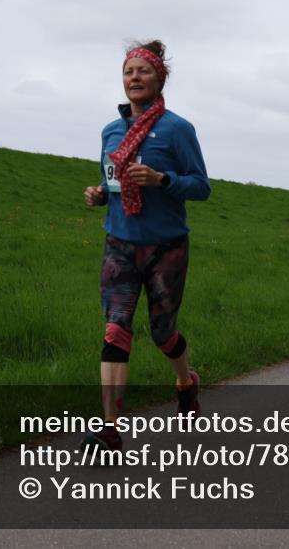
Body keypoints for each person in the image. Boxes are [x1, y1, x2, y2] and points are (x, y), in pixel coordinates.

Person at [82, 40, 211, 452]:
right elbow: (111, 178)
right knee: (116, 329)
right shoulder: (110, 131)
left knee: (162, 332)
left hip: (166, 246)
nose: (134, 78)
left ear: (160, 79)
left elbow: (202, 187)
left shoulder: (177, 129)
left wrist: (163, 180)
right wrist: (101, 192)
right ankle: (110, 429)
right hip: (119, 242)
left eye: (143, 71)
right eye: (128, 72)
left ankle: (186, 382)